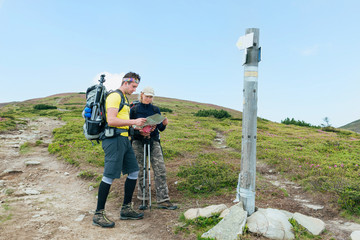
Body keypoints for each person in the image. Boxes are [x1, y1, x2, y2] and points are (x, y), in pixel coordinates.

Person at [93, 72, 147, 228]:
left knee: (134, 171)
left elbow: (122, 122)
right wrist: (134, 121)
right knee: (109, 176)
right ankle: (98, 214)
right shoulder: (115, 96)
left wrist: (136, 127)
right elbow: (111, 120)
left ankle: (126, 209)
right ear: (125, 83)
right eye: (134, 86)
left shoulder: (124, 98)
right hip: (114, 140)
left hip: (124, 139)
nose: (135, 90)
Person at [130, 86, 177, 210]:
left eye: (151, 97)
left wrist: (164, 124)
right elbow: (129, 127)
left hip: (154, 140)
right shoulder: (134, 110)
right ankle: (143, 200)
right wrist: (138, 132)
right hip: (138, 141)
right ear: (141, 95)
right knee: (141, 170)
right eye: (147, 96)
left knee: (160, 169)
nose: (148, 99)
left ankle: (163, 200)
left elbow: (160, 128)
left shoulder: (156, 109)